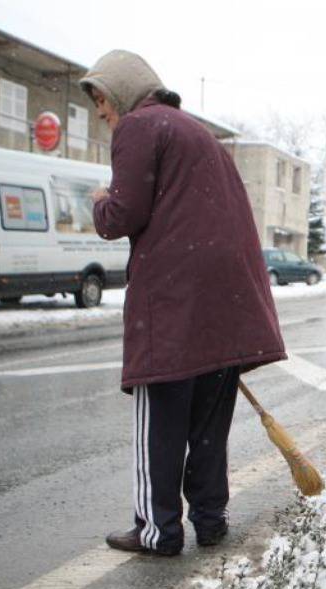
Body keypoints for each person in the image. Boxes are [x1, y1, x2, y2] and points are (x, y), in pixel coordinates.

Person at [82, 50, 286, 556]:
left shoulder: (139, 127)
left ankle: (158, 531)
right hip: (227, 299)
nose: (103, 114)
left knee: (162, 421)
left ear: (123, 92)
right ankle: (211, 519)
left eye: (103, 101)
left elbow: (122, 216)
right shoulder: (201, 136)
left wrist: (99, 201)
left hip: (175, 300)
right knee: (208, 422)